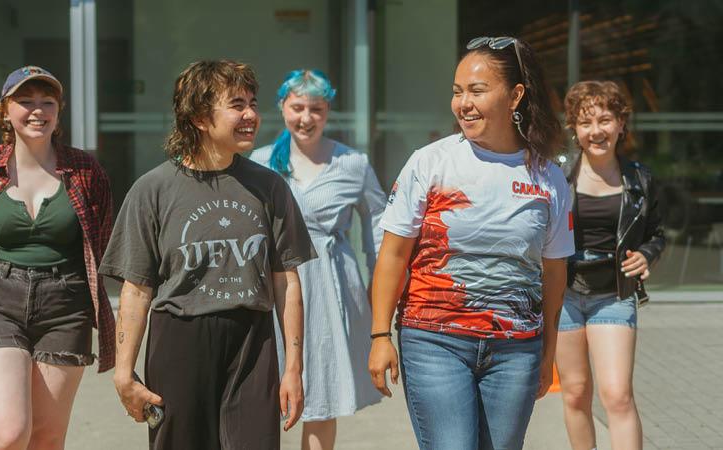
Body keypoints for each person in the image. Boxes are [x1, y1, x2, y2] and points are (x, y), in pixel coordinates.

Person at [368, 36, 575, 449]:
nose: (463, 103)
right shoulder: (430, 162)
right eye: (457, 91)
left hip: (516, 350)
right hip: (433, 341)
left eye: (477, 91)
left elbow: (554, 271)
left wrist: (548, 351)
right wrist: (379, 337)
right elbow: (393, 255)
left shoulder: (548, 177)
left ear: (515, 95)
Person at [100, 60, 317, 450]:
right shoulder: (153, 190)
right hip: (180, 339)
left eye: (252, 102)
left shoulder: (269, 187)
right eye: (236, 104)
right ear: (200, 118)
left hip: (253, 341)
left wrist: (293, 368)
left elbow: (287, 282)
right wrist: (123, 373)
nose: (251, 114)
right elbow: (136, 289)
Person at [0, 65, 115, 450]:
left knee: (46, 438)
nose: (37, 111)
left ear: (59, 110)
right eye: (25, 101)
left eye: (47, 102)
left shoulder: (86, 171)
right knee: (8, 435)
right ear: (5, 110)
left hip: (65, 306)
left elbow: (101, 242)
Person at [251, 69, 385, 450]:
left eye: (316, 109)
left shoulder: (352, 163)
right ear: (282, 108)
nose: (306, 118)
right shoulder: (261, 163)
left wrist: (379, 287)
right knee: (268, 386)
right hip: (276, 283)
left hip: (331, 285)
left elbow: (378, 224)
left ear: (328, 112)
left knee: (321, 392)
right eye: (297, 107)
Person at [556, 80, 665, 450]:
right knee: (574, 393)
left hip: (614, 295)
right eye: (585, 122)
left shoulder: (640, 179)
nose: (596, 131)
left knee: (617, 395)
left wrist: (647, 255)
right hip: (565, 294)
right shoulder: (558, 175)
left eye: (605, 120)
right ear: (574, 128)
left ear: (621, 124)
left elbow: (657, 233)